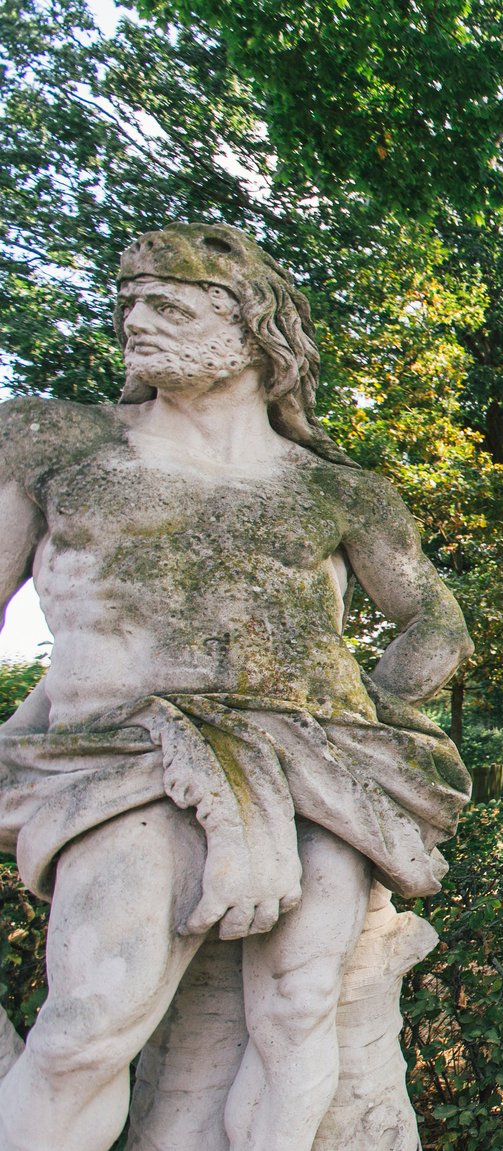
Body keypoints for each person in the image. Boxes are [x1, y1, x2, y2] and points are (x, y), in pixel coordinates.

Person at [0, 224, 472, 1151]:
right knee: (89, 1023)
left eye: (169, 303)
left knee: (301, 1010)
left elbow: (436, 620)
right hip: (125, 756)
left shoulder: (340, 490)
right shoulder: (51, 441)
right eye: (129, 302)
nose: (137, 321)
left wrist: (383, 713)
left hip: (318, 761)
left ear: (256, 326)